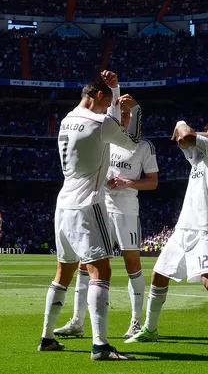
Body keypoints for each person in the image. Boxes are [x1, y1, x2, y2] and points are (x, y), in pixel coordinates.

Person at [37, 70, 141, 361]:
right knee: (101, 272)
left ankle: (46, 337)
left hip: (64, 204)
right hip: (88, 204)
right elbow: (131, 142)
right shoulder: (100, 122)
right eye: (108, 100)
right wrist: (130, 114)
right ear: (98, 97)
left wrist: (115, 89)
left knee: (63, 274)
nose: (111, 105)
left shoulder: (67, 120)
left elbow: (108, 116)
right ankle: (100, 345)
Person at [127, 116, 208, 352]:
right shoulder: (199, 154)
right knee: (159, 275)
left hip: (207, 228)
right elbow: (179, 133)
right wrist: (207, 131)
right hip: (183, 227)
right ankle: (150, 330)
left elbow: (186, 135)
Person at [54, 99, 159, 340]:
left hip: (126, 210)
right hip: (98, 208)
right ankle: (77, 321)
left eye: (126, 114)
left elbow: (152, 182)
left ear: (132, 117)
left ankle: (135, 321)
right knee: (84, 264)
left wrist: (127, 182)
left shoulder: (144, 146)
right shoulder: (104, 138)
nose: (122, 117)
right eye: (119, 113)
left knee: (132, 264)